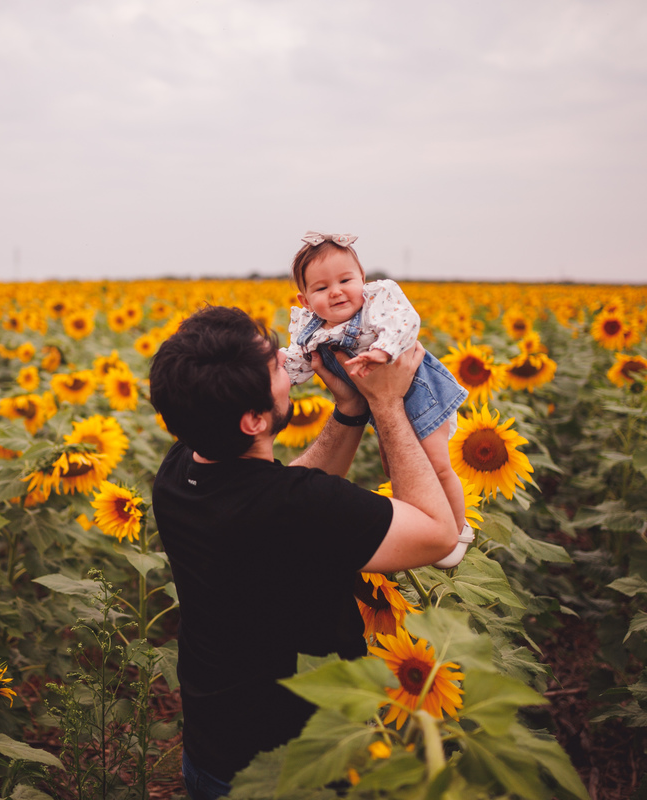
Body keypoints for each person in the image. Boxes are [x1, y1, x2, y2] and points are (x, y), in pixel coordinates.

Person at [149, 305, 459, 799]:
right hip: (295, 766)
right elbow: (440, 534)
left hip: (212, 751)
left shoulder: (180, 470)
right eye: (274, 366)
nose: (286, 363)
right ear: (253, 420)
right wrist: (387, 405)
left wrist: (350, 410)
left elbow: (273, 487)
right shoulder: (301, 508)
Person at [281, 231, 473, 569]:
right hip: (383, 406)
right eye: (322, 288)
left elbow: (405, 322)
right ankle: (428, 523)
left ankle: (455, 532)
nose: (337, 291)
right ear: (305, 301)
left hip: (420, 395)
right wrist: (279, 371)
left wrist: (384, 350)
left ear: (363, 280)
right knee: (397, 468)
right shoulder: (310, 329)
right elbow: (297, 362)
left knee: (437, 467)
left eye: (345, 279)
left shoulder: (377, 304)